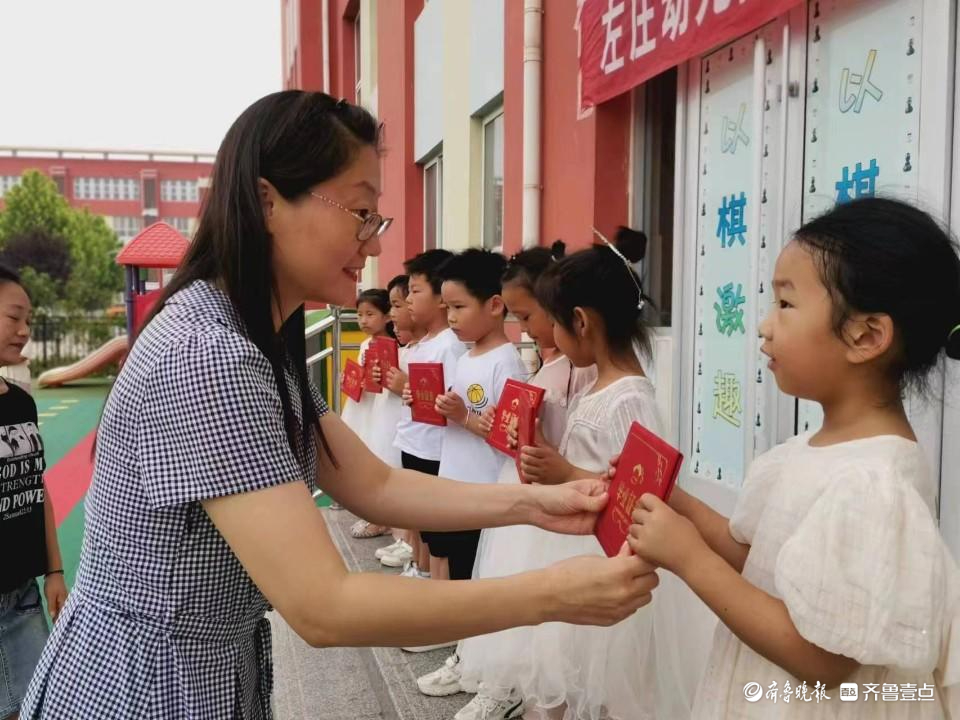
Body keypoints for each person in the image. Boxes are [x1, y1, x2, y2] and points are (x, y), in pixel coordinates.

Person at [21, 91, 657, 720]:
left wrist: (535, 505)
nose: (373, 245)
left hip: (194, 672)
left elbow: (374, 483)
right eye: (360, 213)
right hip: (148, 687)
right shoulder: (209, 355)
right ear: (268, 202)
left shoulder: (253, 337)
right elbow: (324, 605)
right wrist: (552, 593)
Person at [628, 197, 960, 718]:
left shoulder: (873, 485)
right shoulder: (810, 452)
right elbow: (763, 563)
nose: (765, 326)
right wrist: (676, 501)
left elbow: (823, 661)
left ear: (866, 336)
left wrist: (689, 558)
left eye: (785, 304)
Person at [454, 238, 714, 720]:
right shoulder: (598, 385)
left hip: (602, 558)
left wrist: (566, 472)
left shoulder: (629, 397)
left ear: (580, 321)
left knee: (599, 683)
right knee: (562, 674)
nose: (547, 333)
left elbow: (645, 497)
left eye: (553, 322)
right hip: (573, 546)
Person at [0, 266, 67, 720]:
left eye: (28, 319)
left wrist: (54, 571)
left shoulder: (22, 402)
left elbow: (35, 487)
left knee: (39, 707)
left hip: (23, 599)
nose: (25, 331)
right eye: (14, 317)